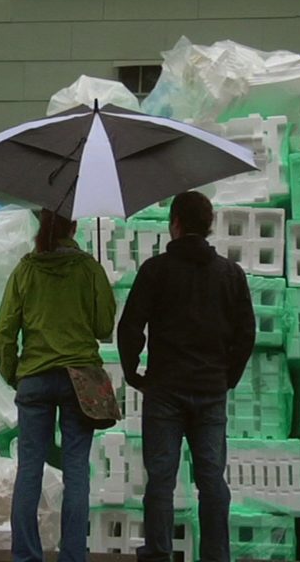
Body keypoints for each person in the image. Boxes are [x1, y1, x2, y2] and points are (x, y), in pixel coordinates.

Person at [117, 191, 255, 562]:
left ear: (174, 224)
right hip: (211, 390)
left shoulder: (155, 271)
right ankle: (215, 555)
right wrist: (229, 377)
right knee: (211, 480)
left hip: (164, 389)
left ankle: (159, 553)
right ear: (209, 226)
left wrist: (134, 373)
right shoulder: (231, 274)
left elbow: (131, 326)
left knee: (161, 479)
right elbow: (246, 334)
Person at [0, 208, 116, 562]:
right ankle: (73, 556)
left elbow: (3, 333)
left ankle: (27, 556)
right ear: (73, 226)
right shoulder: (88, 268)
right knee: (77, 469)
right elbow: (104, 325)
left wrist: (15, 373)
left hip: (35, 378)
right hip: (81, 381)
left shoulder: (26, 269)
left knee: (29, 469)